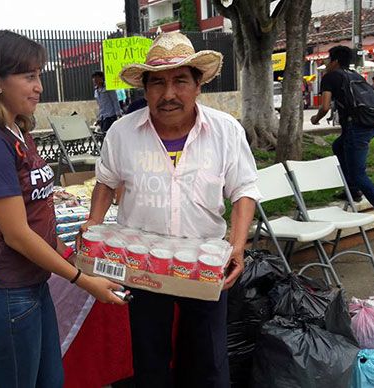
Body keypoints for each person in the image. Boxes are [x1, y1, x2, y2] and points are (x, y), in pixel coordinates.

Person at [79, 31, 261, 388]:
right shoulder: (122, 132)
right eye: (157, 83)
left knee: (208, 361)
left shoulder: (225, 131)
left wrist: (237, 246)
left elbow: (243, 190)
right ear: (144, 89)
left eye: (180, 81)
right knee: (150, 360)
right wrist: (93, 223)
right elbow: (105, 181)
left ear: (198, 85)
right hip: (141, 263)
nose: (168, 94)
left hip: (205, 264)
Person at [0, 30, 127, 387]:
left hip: (27, 286)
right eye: (28, 76)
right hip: (3, 291)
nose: (39, 86)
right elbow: (16, 234)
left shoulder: (14, 130)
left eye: (38, 75)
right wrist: (83, 281)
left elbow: (36, 219)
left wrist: (79, 260)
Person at [311, 45, 374, 209]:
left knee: (358, 174)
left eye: (328, 59)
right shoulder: (355, 75)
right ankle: (352, 189)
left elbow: (325, 106)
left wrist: (316, 118)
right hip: (372, 123)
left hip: (357, 128)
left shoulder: (330, 77)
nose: (327, 63)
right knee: (338, 146)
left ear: (334, 61)